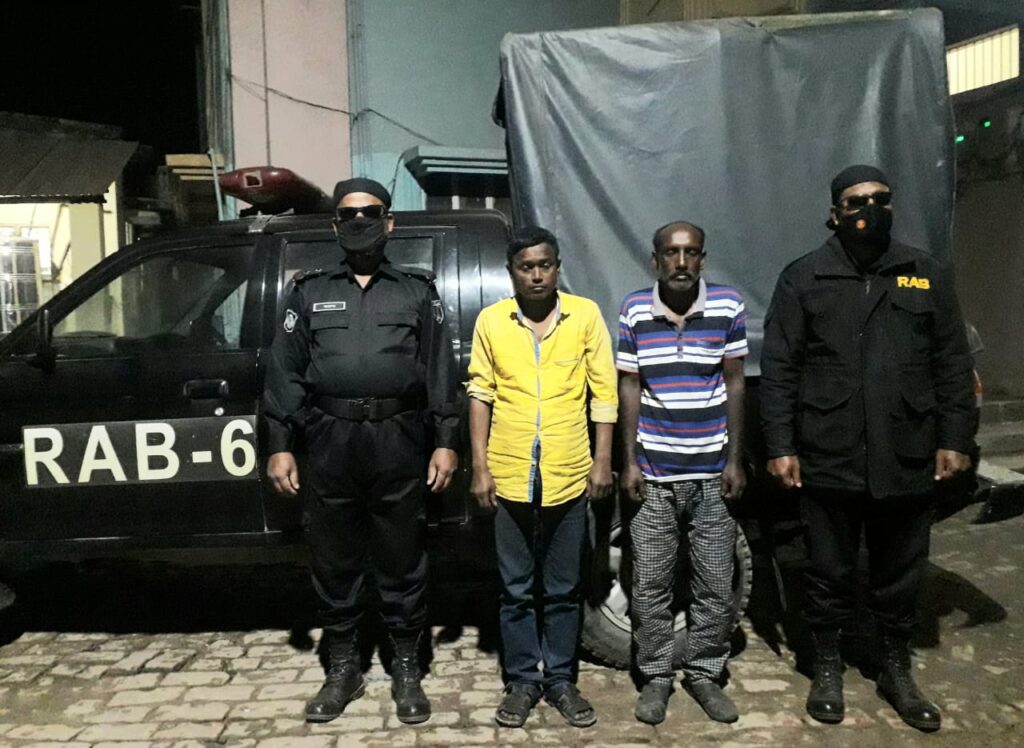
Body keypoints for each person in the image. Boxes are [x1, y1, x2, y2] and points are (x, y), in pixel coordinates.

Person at [760, 165, 974, 733]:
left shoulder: (923, 274)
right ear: (834, 214)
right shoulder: (804, 277)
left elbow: (951, 362)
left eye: (880, 199)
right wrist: (780, 444)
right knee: (827, 569)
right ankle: (827, 666)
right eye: (856, 201)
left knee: (899, 571)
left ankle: (896, 670)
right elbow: (780, 368)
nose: (869, 210)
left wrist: (955, 437)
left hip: (905, 450)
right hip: (828, 450)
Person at [262, 178, 459, 725]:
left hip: (399, 437)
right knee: (335, 558)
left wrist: (446, 441)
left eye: (370, 213)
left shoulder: (416, 290)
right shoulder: (309, 290)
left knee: (402, 555)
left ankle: (406, 667)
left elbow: (440, 371)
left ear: (388, 222)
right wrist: (280, 444)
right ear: (335, 225)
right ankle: (343, 667)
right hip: (330, 439)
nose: (359, 222)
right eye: (348, 215)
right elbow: (285, 373)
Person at [466, 226, 617, 729]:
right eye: (526, 267)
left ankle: (560, 679)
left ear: (557, 267)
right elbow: (480, 393)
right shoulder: (492, 322)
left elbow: (604, 393)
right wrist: (481, 467)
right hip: (509, 473)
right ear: (512, 272)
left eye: (545, 265)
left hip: (568, 472)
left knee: (563, 587)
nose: (537, 275)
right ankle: (522, 681)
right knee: (515, 588)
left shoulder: (584, 316)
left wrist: (601, 461)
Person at [617, 221, 748, 725]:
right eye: (671, 253)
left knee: (715, 582)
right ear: (655, 260)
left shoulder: (727, 306)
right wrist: (629, 461)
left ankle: (704, 673)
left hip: (712, 473)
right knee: (650, 584)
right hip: (654, 474)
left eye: (691, 253)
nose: (681, 262)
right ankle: (655, 677)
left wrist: (734, 459)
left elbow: (734, 382)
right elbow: (631, 386)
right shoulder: (634, 310)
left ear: (702, 259)